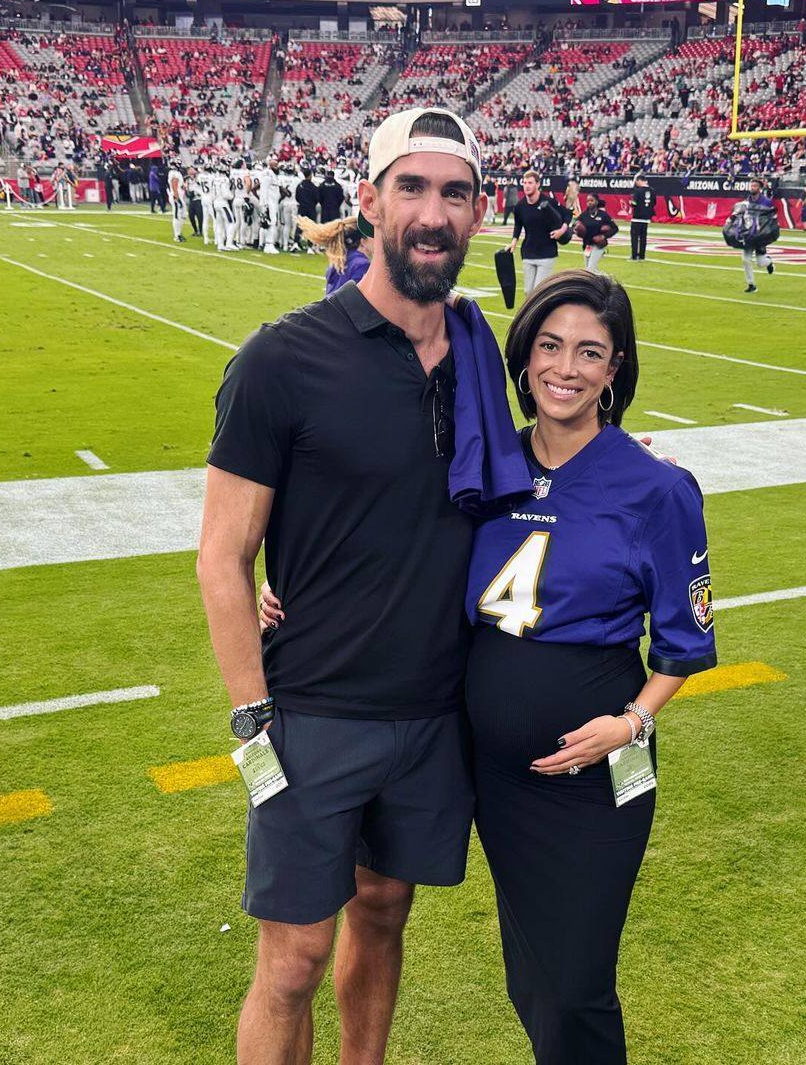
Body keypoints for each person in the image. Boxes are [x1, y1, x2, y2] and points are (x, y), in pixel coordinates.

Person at [260, 271, 715, 1065]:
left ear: (616, 370)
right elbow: (385, 536)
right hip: (488, 773)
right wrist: (290, 581)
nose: (565, 368)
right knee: (532, 980)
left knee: (574, 982)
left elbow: (684, 641)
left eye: (589, 352)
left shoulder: (657, 487)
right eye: (549, 346)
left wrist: (632, 721)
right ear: (523, 357)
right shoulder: (485, 467)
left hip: (590, 773)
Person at [198, 106, 495, 1065]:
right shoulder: (283, 358)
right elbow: (222, 556)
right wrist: (251, 718)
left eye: (453, 192)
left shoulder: (483, 352)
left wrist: (629, 467)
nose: (431, 213)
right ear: (369, 202)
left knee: (384, 913)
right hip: (313, 708)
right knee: (291, 959)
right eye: (411, 187)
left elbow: (536, 468)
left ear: (477, 214)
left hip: (434, 707)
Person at [507, 170, 567, 296]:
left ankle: (541, 315)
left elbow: (567, 214)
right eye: (524, 182)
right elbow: (518, 225)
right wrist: (513, 242)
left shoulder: (549, 202)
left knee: (539, 291)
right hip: (528, 252)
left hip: (547, 252)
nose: (526, 185)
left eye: (530, 182)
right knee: (528, 292)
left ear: (537, 184)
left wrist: (562, 230)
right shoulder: (520, 206)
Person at [725, 178, 777, 294]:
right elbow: (738, 213)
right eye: (752, 186)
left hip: (760, 235)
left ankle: (769, 263)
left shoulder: (766, 202)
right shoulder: (746, 202)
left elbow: (771, 218)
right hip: (748, 234)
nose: (753, 188)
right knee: (745, 259)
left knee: (760, 262)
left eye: (755, 186)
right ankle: (751, 284)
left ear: (759, 188)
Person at [297, 216, 373, 293]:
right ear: (363, 241)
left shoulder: (340, 260)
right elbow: (358, 299)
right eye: (372, 236)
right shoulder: (362, 264)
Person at [574, 192, 617, 272]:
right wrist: (577, 229)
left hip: (599, 245)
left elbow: (615, 228)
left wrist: (604, 236)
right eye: (587, 201)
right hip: (587, 245)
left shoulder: (603, 215)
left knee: (591, 269)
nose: (589, 202)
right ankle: (604, 280)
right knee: (588, 269)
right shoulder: (584, 215)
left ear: (596, 201)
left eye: (591, 200)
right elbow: (575, 225)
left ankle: (598, 282)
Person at [629, 173, 655, 260]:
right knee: (643, 237)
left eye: (637, 182)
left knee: (635, 237)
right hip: (647, 218)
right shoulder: (652, 190)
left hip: (637, 217)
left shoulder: (638, 191)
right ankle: (642, 255)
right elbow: (654, 203)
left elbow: (634, 203)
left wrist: (631, 202)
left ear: (640, 181)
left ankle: (634, 255)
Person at [167, 160, 187, 243]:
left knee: (183, 215)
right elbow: (174, 184)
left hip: (179, 195)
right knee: (177, 216)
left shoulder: (174, 172)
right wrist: (176, 197)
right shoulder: (174, 173)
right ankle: (177, 235)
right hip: (176, 196)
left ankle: (179, 233)